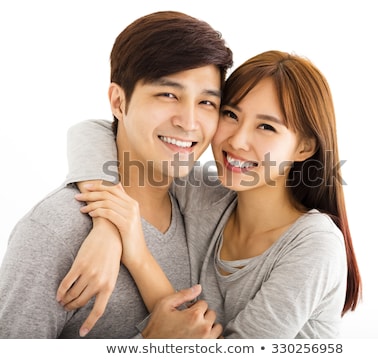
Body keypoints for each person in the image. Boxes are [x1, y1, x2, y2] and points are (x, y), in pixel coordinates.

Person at [61, 50, 362, 338]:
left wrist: (137, 254)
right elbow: (94, 131)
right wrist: (107, 224)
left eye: (266, 127)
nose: (238, 140)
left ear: (304, 147)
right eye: (231, 114)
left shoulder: (315, 245)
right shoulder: (206, 195)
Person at [0, 10, 233, 338]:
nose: (189, 121)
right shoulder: (56, 230)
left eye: (207, 103)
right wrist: (149, 345)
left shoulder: (206, 210)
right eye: (168, 95)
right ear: (118, 102)